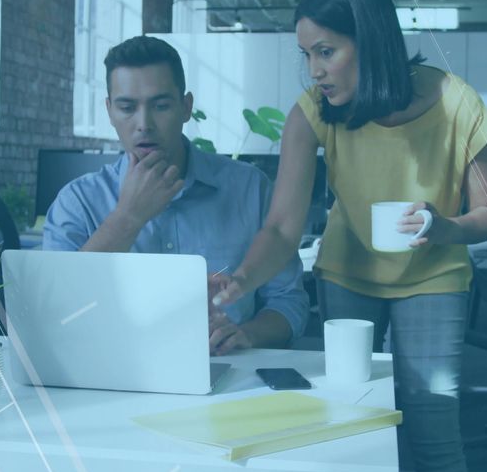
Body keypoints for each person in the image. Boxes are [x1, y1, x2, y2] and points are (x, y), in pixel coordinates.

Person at [210, 0, 487, 472]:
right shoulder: (313, 113)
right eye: (306, 55)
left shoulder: (457, 102)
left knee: (432, 422)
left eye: (326, 52)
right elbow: (282, 227)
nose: (314, 71)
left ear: (369, 40)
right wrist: (243, 279)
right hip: (348, 272)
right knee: (351, 421)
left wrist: (445, 228)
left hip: (434, 276)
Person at [43, 35, 309, 355]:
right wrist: (129, 216)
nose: (144, 124)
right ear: (110, 111)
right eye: (127, 107)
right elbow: (55, 315)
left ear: (186, 108)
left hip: (228, 375)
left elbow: (288, 302)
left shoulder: (250, 190)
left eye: (161, 106)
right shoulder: (77, 202)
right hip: (116, 375)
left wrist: (244, 334)